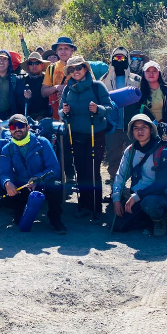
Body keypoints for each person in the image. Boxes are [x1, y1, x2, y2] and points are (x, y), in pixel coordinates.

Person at [60, 55, 114, 221]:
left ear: (85, 68)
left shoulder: (97, 86)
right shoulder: (67, 89)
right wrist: (64, 112)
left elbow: (110, 107)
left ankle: (96, 208)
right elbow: (61, 112)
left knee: (93, 170)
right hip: (76, 134)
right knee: (80, 170)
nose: (75, 71)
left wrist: (98, 109)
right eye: (72, 69)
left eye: (79, 68)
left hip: (95, 134)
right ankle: (84, 205)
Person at [0, 114, 67, 234]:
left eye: (20, 125)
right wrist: (7, 183)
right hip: (23, 186)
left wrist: (38, 178)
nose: (17, 129)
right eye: (13, 127)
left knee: (56, 184)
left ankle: (55, 220)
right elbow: (5, 172)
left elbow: (54, 168)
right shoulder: (7, 148)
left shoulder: (42, 142)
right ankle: (20, 211)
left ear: (28, 127)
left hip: (42, 183)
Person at [111, 114, 167, 237]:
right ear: (132, 131)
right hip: (137, 196)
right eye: (136, 128)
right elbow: (120, 176)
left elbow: (161, 185)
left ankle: (159, 221)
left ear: (151, 130)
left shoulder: (163, 152)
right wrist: (116, 200)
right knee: (118, 227)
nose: (140, 131)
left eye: (144, 127)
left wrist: (137, 196)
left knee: (149, 203)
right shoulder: (130, 151)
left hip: (160, 196)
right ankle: (146, 219)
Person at [101, 47, 142, 186]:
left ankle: (133, 186)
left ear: (127, 60)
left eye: (122, 58)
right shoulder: (103, 80)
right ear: (111, 60)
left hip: (130, 125)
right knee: (114, 156)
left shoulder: (137, 79)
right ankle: (115, 185)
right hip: (112, 126)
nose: (119, 61)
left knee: (133, 156)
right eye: (116, 58)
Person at [42, 37, 77, 121]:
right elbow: (43, 92)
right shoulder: (51, 68)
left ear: (72, 50)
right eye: (60, 49)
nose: (63, 51)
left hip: (78, 113)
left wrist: (67, 94)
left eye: (66, 48)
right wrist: (56, 88)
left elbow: (91, 88)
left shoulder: (80, 66)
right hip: (57, 115)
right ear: (57, 51)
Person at [20, 52, 51, 120]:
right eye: (31, 63)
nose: (34, 66)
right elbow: (17, 101)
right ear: (28, 66)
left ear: (42, 65)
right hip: (26, 116)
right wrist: (25, 97)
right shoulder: (22, 80)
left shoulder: (48, 79)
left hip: (46, 116)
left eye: (37, 63)